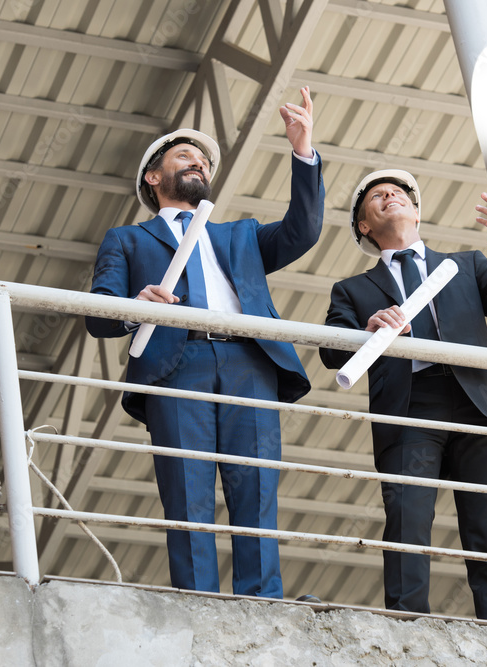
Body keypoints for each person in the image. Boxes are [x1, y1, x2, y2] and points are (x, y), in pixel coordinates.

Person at [85, 86, 324, 599]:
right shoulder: (127, 239)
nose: (198, 163)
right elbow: (98, 314)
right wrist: (134, 307)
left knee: (256, 490)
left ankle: (262, 602)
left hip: (250, 361)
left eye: (203, 161)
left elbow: (303, 231)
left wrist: (303, 152)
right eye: (184, 156)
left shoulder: (240, 235)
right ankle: (198, 603)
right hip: (178, 363)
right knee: (186, 490)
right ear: (154, 177)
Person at [318, 169, 487, 621]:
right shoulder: (353, 290)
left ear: (416, 213)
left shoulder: (469, 264)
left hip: (480, 405)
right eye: (377, 196)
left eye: (398, 193)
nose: (389, 196)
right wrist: (367, 329)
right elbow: (329, 350)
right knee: (408, 520)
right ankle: (406, 625)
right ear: (364, 226)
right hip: (411, 403)